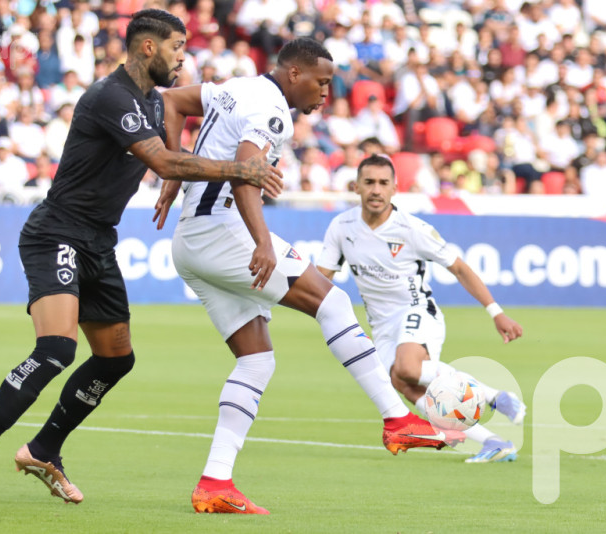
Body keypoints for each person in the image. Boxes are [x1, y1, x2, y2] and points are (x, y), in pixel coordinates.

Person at [0, 9, 283, 517]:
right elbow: (162, 159)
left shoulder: (153, 99)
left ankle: (44, 448)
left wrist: (176, 176)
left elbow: (171, 133)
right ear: (148, 47)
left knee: (115, 358)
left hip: (99, 242)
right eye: (176, 47)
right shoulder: (111, 96)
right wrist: (238, 169)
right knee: (56, 349)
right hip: (57, 232)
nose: (183, 57)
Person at [153, 38, 463, 516]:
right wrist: (261, 241)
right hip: (223, 232)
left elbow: (172, 101)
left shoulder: (235, 87)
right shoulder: (272, 109)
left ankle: (215, 482)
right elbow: (246, 172)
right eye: (321, 82)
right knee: (332, 302)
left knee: (256, 362)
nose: (325, 92)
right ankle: (396, 419)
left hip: (190, 240)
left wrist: (174, 173)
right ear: (294, 74)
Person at [316, 154, 527, 464]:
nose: (376, 190)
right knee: (403, 385)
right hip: (381, 324)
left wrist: (496, 312)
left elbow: (459, 268)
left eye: (383, 183)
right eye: (369, 182)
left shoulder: (411, 228)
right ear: (356, 186)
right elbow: (321, 279)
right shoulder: (341, 226)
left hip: (416, 309)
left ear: (395, 189)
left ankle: (494, 396)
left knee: (407, 368)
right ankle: (493, 442)